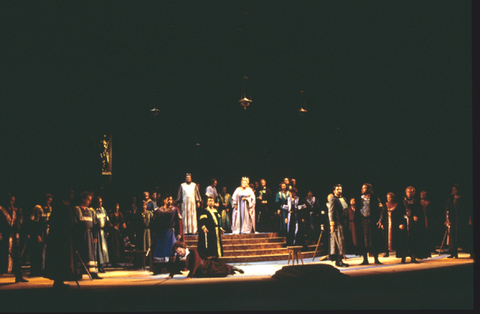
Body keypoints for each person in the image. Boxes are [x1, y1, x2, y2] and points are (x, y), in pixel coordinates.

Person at [44, 189, 77, 288]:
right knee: (59, 258)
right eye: (71, 192)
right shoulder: (59, 205)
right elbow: (55, 221)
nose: (73, 195)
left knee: (64, 259)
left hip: (65, 236)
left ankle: (60, 280)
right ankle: (58, 281)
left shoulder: (66, 204)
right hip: (60, 237)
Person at [168, 241, 243, 279]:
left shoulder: (192, 251)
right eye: (177, 253)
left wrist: (189, 277)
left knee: (220, 270)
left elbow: (195, 264)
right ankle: (231, 269)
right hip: (198, 272)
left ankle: (233, 268)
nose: (179, 254)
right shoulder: (180, 257)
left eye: (180, 251)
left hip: (206, 266)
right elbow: (175, 266)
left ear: (184, 248)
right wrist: (171, 275)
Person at [395, 186, 430, 263]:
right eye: (408, 192)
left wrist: (417, 216)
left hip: (413, 225)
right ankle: (403, 257)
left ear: (414, 193)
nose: (409, 193)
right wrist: (400, 223)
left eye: (411, 192)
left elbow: (420, 213)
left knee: (414, 240)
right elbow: (398, 214)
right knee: (403, 240)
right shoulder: (402, 202)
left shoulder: (417, 202)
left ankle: (413, 257)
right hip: (404, 223)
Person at [152, 194, 183, 274]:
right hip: (161, 233)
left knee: (172, 250)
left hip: (170, 233)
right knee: (160, 250)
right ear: (164, 200)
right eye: (168, 199)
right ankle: (158, 269)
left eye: (171, 199)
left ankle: (174, 269)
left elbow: (177, 222)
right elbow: (155, 222)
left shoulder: (174, 210)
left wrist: (178, 232)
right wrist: (155, 232)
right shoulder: (159, 210)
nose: (170, 201)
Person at [0, 194, 28, 283]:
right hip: (4, 236)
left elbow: (15, 224)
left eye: (13, 201)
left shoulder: (13, 211)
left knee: (16, 256)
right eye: (11, 201)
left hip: (12, 237)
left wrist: (17, 234)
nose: (13, 203)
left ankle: (18, 276)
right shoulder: (1, 210)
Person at [73, 191, 102, 279]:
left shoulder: (91, 211)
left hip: (90, 235)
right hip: (81, 235)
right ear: (83, 199)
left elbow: (95, 224)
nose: (89, 202)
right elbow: (75, 223)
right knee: (82, 252)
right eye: (88, 200)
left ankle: (93, 272)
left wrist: (95, 236)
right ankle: (79, 273)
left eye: (90, 200)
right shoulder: (77, 209)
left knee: (91, 253)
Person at [354, 184, 384, 265]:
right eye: (362, 188)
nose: (362, 189)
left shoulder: (375, 198)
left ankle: (376, 259)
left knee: (374, 239)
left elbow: (381, 210)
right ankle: (365, 260)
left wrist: (380, 220)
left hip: (372, 221)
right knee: (363, 241)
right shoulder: (360, 199)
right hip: (362, 221)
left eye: (364, 188)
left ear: (369, 189)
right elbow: (356, 210)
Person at [444, 184, 472, 258]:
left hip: (462, 219)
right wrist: (447, 220)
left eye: (455, 189)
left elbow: (468, 210)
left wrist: (469, 220)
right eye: (453, 190)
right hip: (453, 219)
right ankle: (453, 252)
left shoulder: (464, 198)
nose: (454, 191)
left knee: (464, 235)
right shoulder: (450, 198)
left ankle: (470, 251)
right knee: (452, 236)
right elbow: (447, 210)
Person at [28, 193, 53, 277]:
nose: (49, 202)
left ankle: (45, 269)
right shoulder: (37, 208)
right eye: (47, 200)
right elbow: (33, 223)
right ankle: (37, 270)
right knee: (38, 252)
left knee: (46, 251)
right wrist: (37, 234)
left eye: (50, 200)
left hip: (48, 232)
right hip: (40, 232)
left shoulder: (50, 209)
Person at [328, 185, 349, 267]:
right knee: (338, 242)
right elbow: (331, 212)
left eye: (340, 189)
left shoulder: (344, 199)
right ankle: (338, 260)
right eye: (337, 189)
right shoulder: (333, 199)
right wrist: (332, 224)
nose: (339, 190)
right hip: (337, 222)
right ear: (334, 191)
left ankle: (341, 259)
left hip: (344, 222)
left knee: (342, 242)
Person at [93, 196, 110, 273]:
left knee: (103, 250)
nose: (100, 203)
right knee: (97, 250)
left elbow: (107, 220)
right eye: (98, 202)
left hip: (102, 232)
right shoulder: (93, 211)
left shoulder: (103, 210)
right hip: (97, 232)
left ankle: (102, 265)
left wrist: (107, 230)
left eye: (101, 202)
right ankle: (97, 266)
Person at [108, 202, 127, 267]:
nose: (117, 208)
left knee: (119, 246)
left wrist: (123, 224)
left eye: (118, 206)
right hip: (113, 233)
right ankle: (113, 261)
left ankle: (118, 261)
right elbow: (109, 223)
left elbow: (123, 222)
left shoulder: (120, 214)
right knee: (113, 246)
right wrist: (113, 226)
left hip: (119, 233)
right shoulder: (110, 214)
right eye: (116, 206)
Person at [383, 192, 399, 257]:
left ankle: (397, 251)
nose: (389, 199)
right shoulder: (385, 205)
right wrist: (381, 223)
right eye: (387, 198)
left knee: (396, 236)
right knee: (385, 237)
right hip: (386, 223)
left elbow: (398, 215)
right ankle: (386, 252)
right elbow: (383, 214)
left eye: (390, 197)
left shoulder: (396, 205)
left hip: (395, 223)